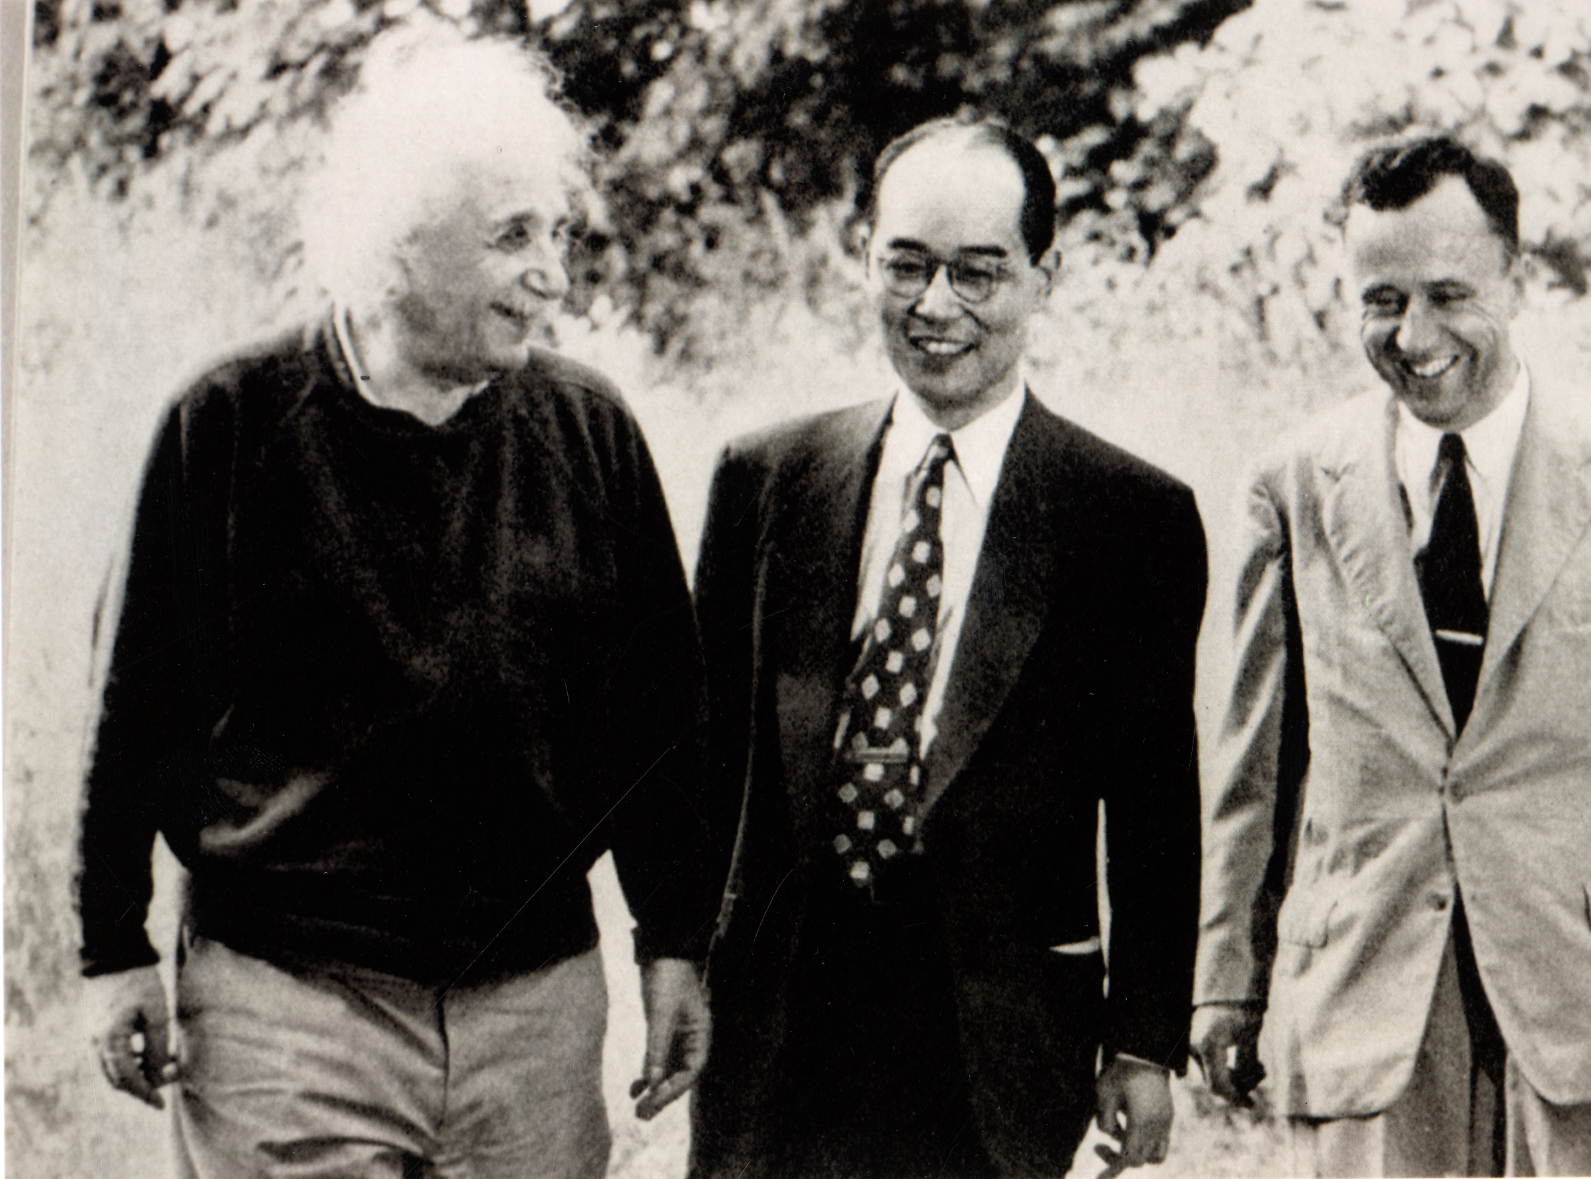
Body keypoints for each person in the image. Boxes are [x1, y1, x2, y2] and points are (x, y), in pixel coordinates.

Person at [76, 30, 716, 1178]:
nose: (553, 275)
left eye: (557, 233)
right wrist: (110, 948)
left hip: (534, 1015)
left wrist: (677, 942)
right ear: (394, 248)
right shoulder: (224, 425)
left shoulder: (589, 431)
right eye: (512, 237)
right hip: (288, 1011)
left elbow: (656, 725)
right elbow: (135, 712)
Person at [1191, 136, 1591, 1176]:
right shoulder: (1292, 486)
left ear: (1519, 279)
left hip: (1571, 996)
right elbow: (1252, 771)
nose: (1415, 336)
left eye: (1451, 294)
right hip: (1367, 996)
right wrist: (1226, 975)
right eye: (1381, 299)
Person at [687, 116, 1205, 1179]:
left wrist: (1143, 1042)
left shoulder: (1126, 516)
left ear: (1042, 276)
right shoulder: (766, 478)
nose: (936, 307)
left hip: (999, 1035)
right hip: (782, 1023)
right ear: (862, 255)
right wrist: (673, 957)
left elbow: (1156, 807)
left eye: (978, 274)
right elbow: (705, 759)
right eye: (907, 265)